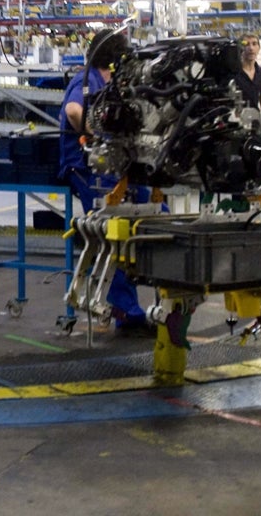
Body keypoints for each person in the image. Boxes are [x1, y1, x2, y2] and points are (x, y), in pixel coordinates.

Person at [57, 28, 151, 336]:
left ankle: (139, 297)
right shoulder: (86, 81)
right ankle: (126, 310)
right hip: (86, 166)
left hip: (113, 165)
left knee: (148, 205)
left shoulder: (114, 82)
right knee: (115, 225)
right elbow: (73, 111)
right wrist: (96, 135)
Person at [233, 33, 261, 139]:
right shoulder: (232, 73)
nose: (251, 48)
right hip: (235, 130)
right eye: (246, 44)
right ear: (240, 47)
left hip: (255, 129)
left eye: (254, 44)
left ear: (259, 48)